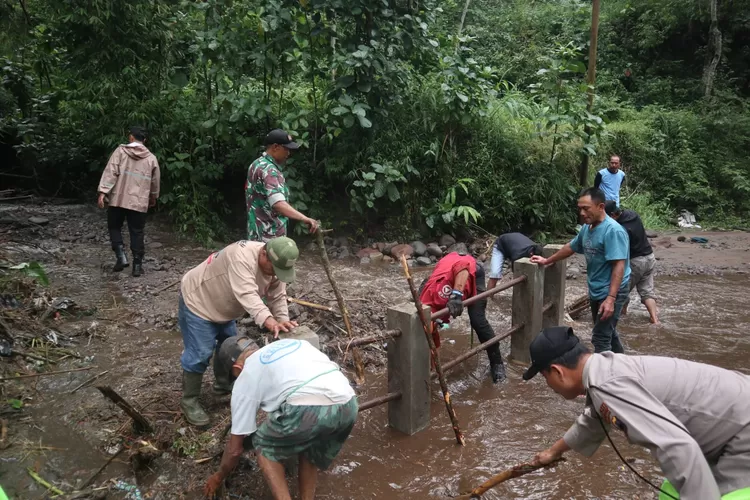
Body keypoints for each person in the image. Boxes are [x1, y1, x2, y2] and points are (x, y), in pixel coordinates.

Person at [525, 326, 750, 500]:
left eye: (545, 378)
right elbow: (593, 420)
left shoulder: (608, 387)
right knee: (674, 488)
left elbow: (677, 447)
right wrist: (553, 452)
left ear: (557, 371)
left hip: (742, 431)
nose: (549, 386)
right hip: (734, 416)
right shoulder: (603, 369)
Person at [204, 336, 357, 500]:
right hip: (348, 403)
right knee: (309, 450)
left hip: (307, 407)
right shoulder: (294, 343)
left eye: (234, 375)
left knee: (263, 446)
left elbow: (235, 450)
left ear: (237, 367)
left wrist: (218, 476)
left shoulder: (246, 374)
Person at [178, 237, 300, 426]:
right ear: (264, 254)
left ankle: (222, 385)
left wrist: (283, 320)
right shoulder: (241, 257)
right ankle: (189, 401)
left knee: (229, 346)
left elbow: (277, 296)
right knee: (200, 353)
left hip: (225, 308)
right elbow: (247, 294)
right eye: (274, 269)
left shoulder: (276, 266)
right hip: (199, 301)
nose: (276, 274)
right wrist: (270, 322)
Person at [531, 188, 630, 353]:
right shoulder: (587, 227)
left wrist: (611, 299)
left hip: (613, 290)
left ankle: (602, 377)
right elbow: (571, 247)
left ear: (601, 206)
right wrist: (547, 260)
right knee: (607, 333)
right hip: (597, 288)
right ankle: (623, 365)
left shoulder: (613, 231)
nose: (582, 213)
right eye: (580, 208)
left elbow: (619, 265)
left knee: (600, 337)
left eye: (586, 208)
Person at [419, 252, 506, 383]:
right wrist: (434, 371)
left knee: (477, 321)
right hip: (448, 266)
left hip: (470, 271)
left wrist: (456, 294)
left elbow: (462, 266)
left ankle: (497, 363)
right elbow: (433, 343)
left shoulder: (439, 295)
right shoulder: (426, 317)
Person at [97, 126, 160, 277]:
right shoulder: (151, 158)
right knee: (137, 232)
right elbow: (155, 181)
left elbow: (110, 171)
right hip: (139, 201)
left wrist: (103, 191)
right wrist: (153, 197)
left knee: (114, 226)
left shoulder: (120, 152)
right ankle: (137, 266)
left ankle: (121, 257)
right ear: (144, 140)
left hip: (119, 198)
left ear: (131, 137)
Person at [246, 129, 319, 242]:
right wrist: (304, 218)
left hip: (255, 233)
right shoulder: (270, 170)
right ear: (275, 147)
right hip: (270, 238)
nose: (288, 153)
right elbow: (278, 204)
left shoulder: (256, 164)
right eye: (286, 149)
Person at [605, 201, 659, 324]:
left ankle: (621, 316)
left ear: (613, 215)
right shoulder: (632, 214)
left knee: (621, 289)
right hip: (650, 257)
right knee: (647, 291)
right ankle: (655, 319)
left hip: (635, 261)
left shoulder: (619, 228)